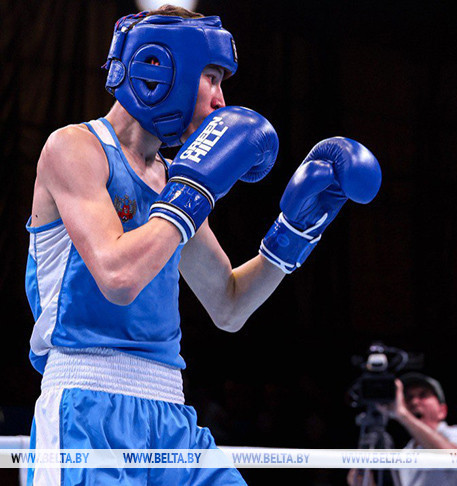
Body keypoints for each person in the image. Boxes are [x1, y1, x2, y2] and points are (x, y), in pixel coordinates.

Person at [25, 5, 381, 485]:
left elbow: (228, 305)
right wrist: (192, 195)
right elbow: (118, 277)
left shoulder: (173, 181)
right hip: (86, 407)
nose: (220, 101)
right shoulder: (75, 149)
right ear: (162, 67)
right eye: (212, 78)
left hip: (171, 412)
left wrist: (294, 231)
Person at [348, 373, 457, 486]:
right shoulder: (405, 454)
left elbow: (452, 457)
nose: (414, 402)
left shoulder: (456, 433)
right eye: (409, 397)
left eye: (423, 395)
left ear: (442, 410)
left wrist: (402, 414)